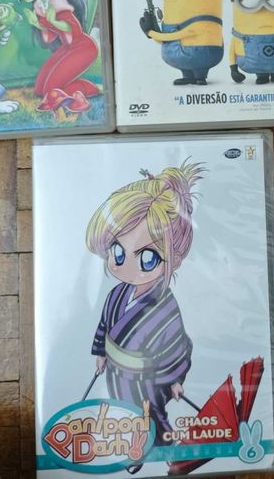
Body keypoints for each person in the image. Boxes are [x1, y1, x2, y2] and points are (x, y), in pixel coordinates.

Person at [86, 161, 203, 454]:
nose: (126, 266)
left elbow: (177, 346)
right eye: (117, 252)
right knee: (122, 413)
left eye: (148, 258)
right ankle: (132, 449)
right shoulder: (117, 295)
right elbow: (104, 325)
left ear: (174, 260)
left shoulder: (166, 308)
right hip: (116, 373)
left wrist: (174, 380)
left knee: (149, 416)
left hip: (147, 381)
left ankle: (159, 450)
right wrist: (101, 352)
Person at [0, 0, 100, 113]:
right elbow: (50, 37)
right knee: (40, 89)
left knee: (50, 90)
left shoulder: (56, 0)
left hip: (83, 47)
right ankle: (86, 88)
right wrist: (38, 24)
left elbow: (74, 31)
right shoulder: (39, 4)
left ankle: (80, 94)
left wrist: (52, 21)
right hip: (68, 47)